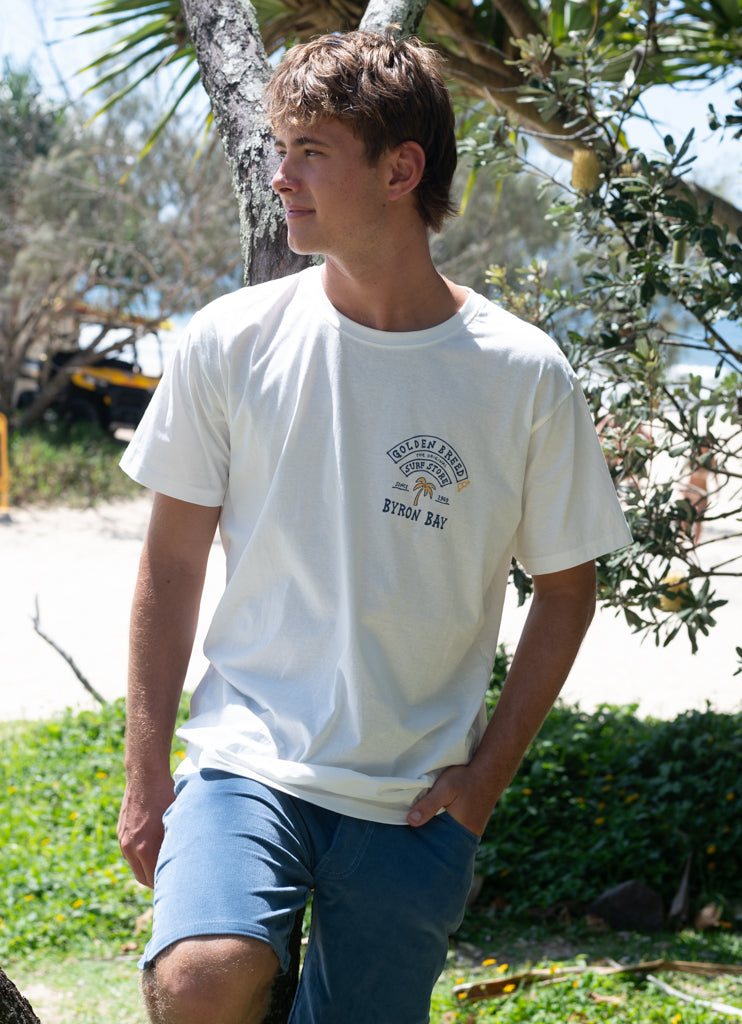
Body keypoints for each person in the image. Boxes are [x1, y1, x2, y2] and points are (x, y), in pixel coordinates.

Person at [117, 29, 633, 1024]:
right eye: (279, 148)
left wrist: (482, 783)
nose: (279, 177)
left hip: (414, 799)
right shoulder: (230, 341)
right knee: (199, 978)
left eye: (309, 151)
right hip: (245, 757)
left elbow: (567, 591)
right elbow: (171, 565)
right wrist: (146, 773)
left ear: (401, 169)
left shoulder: (519, 373)